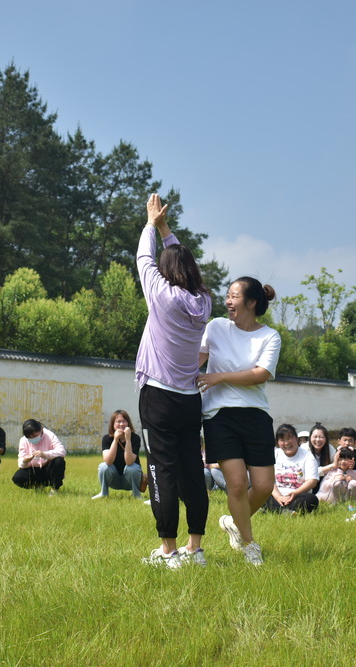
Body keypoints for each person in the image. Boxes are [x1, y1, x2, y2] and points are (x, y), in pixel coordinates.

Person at [135, 193, 213, 569]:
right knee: (191, 472)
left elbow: (142, 259)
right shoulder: (203, 301)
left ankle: (168, 552)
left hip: (159, 399)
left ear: (167, 271)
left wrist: (151, 224)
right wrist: (166, 229)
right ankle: (194, 549)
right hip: (188, 401)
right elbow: (181, 258)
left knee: (161, 471)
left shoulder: (161, 295)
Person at [199, 276, 282, 566]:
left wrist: (219, 376)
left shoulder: (269, 336)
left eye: (234, 296)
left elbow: (260, 374)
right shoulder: (216, 327)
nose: (228, 301)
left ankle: (234, 522)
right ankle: (249, 545)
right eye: (228, 295)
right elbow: (194, 360)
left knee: (263, 486)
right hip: (219, 415)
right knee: (236, 483)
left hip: (256, 414)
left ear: (251, 302)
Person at [263, 424, 319, 515]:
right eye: (282, 440)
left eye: (289, 438)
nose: (286, 443)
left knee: (312, 500)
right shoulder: (274, 454)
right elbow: (268, 479)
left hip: (297, 496)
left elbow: (312, 481)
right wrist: (278, 496)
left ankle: (272, 509)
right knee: (255, 490)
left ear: (296, 439)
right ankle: (285, 511)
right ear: (278, 442)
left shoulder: (307, 456)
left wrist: (295, 493)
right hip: (276, 494)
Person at [92, 410, 143, 500]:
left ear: (128, 423)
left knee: (133, 468)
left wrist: (128, 440)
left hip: (130, 480)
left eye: (124, 421)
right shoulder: (107, 439)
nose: (121, 424)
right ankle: (104, 493)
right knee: (104, 466)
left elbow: (129, 461)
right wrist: (115, 440)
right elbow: (108, 460)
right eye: (118, 421)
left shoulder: (135, 438)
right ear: (113, 424)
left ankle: (136, 494)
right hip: (114, 479)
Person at [13, 419, 66, 494]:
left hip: (48, 468)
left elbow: (62, 451)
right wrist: (25, 461)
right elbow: (21, 463)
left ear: (40, 429)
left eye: (34, 435)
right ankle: (37, 486)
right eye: (29, 437)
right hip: (33, 469)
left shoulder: (49, 435)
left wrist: (45, 454)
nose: (32, 438)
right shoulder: (23, 440)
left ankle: (55, 489)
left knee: (59, 461)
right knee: (18, 477)